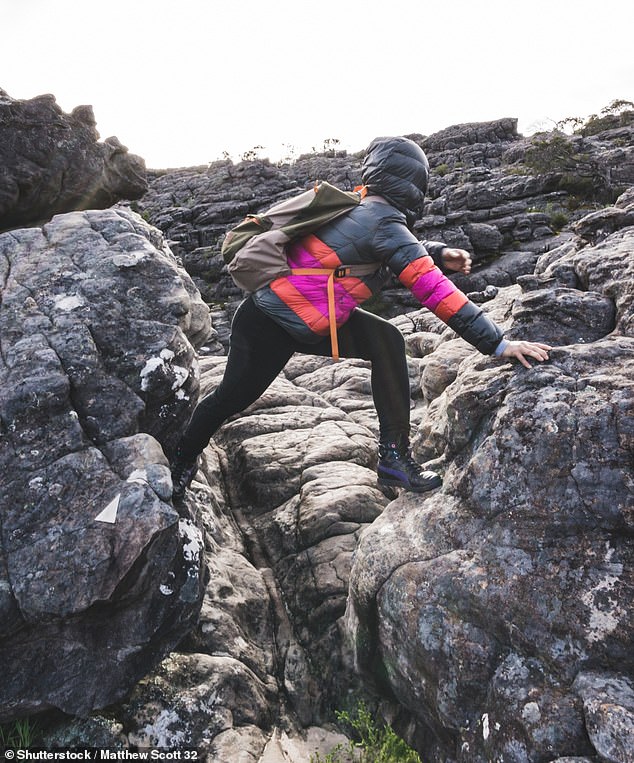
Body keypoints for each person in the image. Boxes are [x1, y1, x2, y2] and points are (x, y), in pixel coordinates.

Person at [170, 136, 551, 501]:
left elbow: (392, 248)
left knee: (386, 341)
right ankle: (181, 457)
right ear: (414, 183)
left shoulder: (363, 207)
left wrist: (438, 252)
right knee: (230, 398)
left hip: (307, 319)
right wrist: (498, 343)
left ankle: (394, 459)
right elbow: (434, 290)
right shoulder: (381, 220)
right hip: (271, 321)